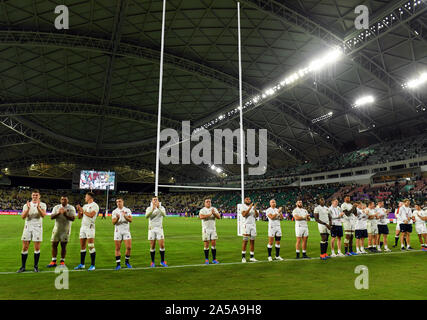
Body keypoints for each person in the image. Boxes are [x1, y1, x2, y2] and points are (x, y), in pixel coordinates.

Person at [17, 190, 47, 273]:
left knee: (37, 248)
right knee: (25, 247)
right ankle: (23, 266)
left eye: (36, 195)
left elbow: (43, 215)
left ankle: (35, 266)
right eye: (33, 195)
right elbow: (23, 217)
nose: (35, 197)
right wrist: (28, 208)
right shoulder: (26, 205)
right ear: (31, 196)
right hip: (27, 227)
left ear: (39, 196)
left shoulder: (43, 205)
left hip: (37, 227)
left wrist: (38, 207)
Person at [46, 196, 76, 268]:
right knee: (54, 244)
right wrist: (59, 213)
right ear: (60, 200)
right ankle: (53, 261)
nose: (63, 201)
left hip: (66, 229)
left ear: (67, 200)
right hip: (56, 229)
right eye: (62, 199)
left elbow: (73, 219)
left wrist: (65, 214)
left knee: (63, 246)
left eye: (65, 199)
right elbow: (51, 217)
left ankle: (62, 261)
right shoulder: (56, 207)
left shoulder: (71, 208)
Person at [74, 192, 99, 271]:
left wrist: (82, 210)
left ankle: (93, 265)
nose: (85, 198)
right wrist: (79, 210)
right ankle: (82, 264)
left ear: (90, 197)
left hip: (90, 227)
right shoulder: (85, 206)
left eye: (86, 196)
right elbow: (79, 217)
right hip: (83, 227)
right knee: (82, 246)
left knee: (91, 246)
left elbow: (91, 215)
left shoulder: (95, 205)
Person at [145, 197, 167, 267]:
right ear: (151, 201)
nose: (155, 201)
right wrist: (152, 210)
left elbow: (164, 215)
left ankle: (162, 261)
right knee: (152, 246)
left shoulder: (162, 208)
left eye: (156, 200)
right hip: (152, 229)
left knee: (162, 245)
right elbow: (146, 216)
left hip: (159, 229)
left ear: (158, 201)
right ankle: (152, 262)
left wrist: (159, 208)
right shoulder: (149, 208)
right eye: (154, 200)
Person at [112, 197, 133, 270]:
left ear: (123, 202)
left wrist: (125, 216)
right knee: (117, 248)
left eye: (119, 201)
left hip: (126, 231)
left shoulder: (127, 210)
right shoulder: (115, 211)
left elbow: (130, 220)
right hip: (118, 231)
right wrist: (117, 218)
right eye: (117, 202)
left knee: (129, 247)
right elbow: (113, 222)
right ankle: (118, 264)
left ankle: (127, 262)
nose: (118, 203)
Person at [199, 198, 221, 264]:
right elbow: (201, 217)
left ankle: (214, 259)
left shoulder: (214, 209)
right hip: (206, 229)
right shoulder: (202, 210)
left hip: (213, 229)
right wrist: (209, 214)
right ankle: (206, 259)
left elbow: (219, 217)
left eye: (209, 202)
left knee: (214, 244)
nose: (208, 203)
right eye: (207, 202)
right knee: (206, 244)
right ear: (204, 203)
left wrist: (213, 213)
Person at [240, 197, 259, 263]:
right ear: (244, 200)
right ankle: (243, 257)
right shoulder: (243, 207)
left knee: (252, 241)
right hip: (246, 225)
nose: (248, 200)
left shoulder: (253, 207)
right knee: (245, 241)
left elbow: (257, 216)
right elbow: (244, 214)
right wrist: (250, 208)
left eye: (249, 199)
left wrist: (255, 209)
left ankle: (252, 257)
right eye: (247, 199)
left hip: (253, 225)